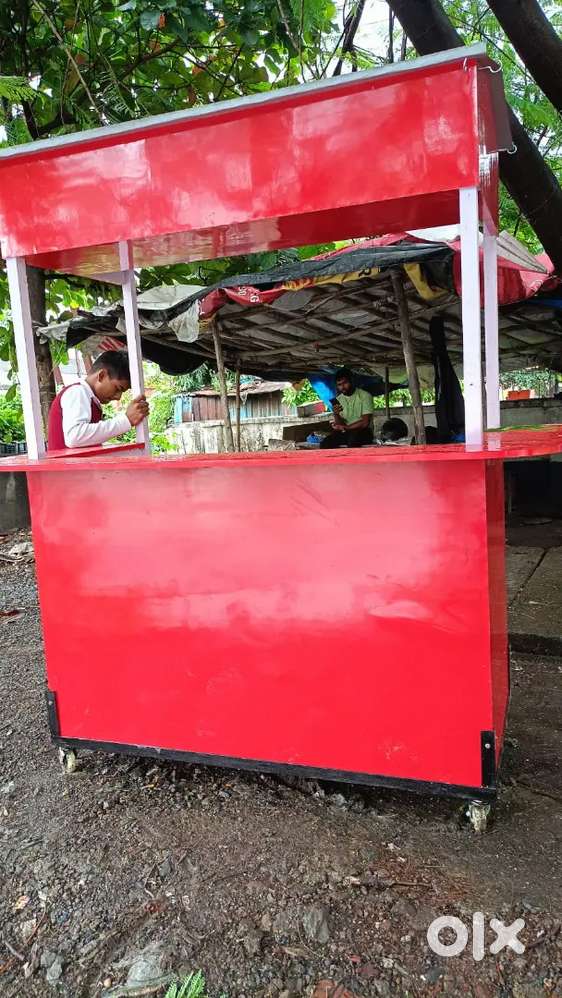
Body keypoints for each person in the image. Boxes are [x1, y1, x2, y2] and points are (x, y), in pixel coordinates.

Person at [47, 350, 149, 450]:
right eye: (118, 388)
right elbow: (74, 437)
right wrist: (126, 421)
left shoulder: (88, 397)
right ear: (102, 375)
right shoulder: (77, 392)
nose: (118, 397)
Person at [319, 368, 374, 449]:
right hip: (347, 432)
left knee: (353, 440)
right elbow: (340, 424)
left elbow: (365, 423)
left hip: (363, 432)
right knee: (325, 443)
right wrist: (336, 414)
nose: (342, 387)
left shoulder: (365, 396)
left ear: (352, 381)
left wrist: (346, 428)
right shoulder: (339, 399)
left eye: (345, 383)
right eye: (339, 385)